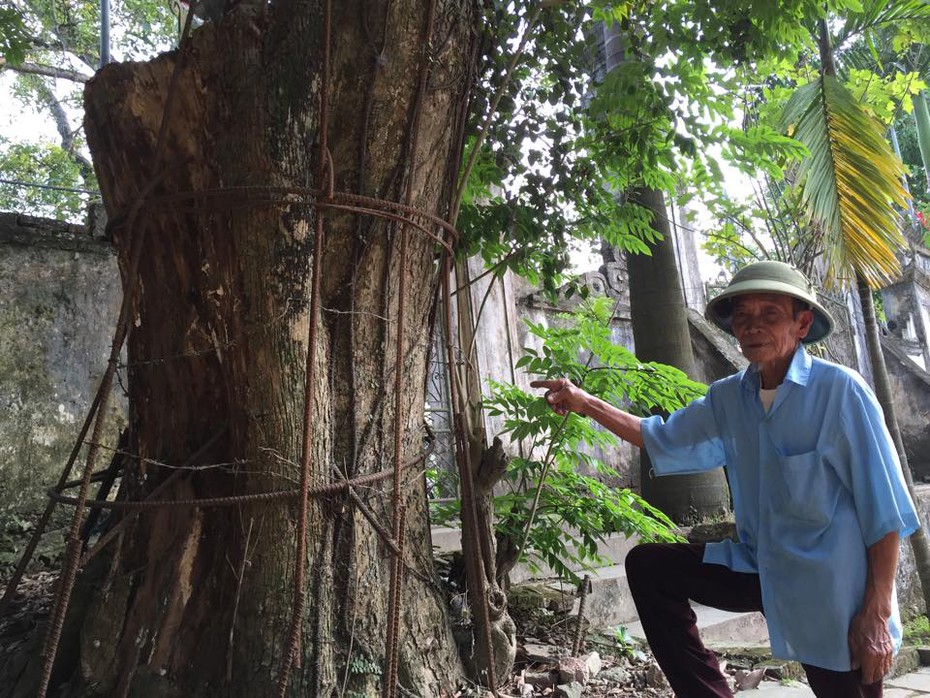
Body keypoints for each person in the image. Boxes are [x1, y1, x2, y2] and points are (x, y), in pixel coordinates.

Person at [531, 260, 920, 698]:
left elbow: (884, 513)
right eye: (743, 316)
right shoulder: (729, 398)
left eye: (770, 314)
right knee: (651, 567)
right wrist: (585, 403)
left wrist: (876, 612)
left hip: (830, 589)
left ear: (802, 322)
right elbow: (656, 435)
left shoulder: (841, 393)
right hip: (760, 564)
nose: (753, 326)